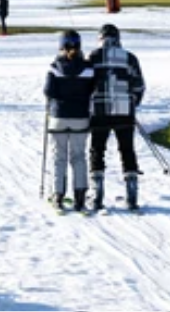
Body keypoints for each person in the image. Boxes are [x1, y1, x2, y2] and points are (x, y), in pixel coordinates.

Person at [88, 23, 146, 211]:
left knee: (97, 150)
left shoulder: (92, 57)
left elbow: (85, 84)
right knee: (127, 150)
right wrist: (132, 103)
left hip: (99, 111)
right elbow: (139, 86)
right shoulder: (130, 58)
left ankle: (97, 194)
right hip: (125, 112)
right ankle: (132, 195)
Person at [44, 29, 95, 212]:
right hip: (80, 117)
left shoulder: (55, 67)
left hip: (59, 117)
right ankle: (80, 198)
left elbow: (48, 91)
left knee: (59, 157)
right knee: (79, 157)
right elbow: (92, 89)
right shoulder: (88, 68)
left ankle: (58, 196)